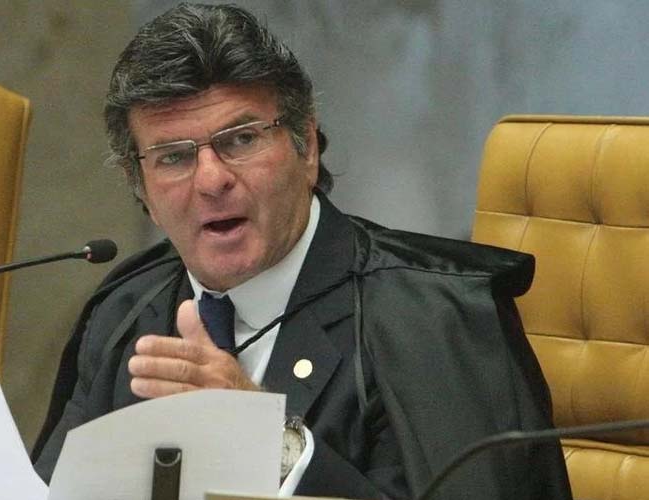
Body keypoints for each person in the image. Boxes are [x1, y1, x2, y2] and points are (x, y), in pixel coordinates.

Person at [32, 4, 572, 499]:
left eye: (241, 139)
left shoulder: (435, 319)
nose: (212, 180)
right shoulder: (124, 314)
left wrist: (266, 442)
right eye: (174, 157)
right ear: (141, 191)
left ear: (306, 147)